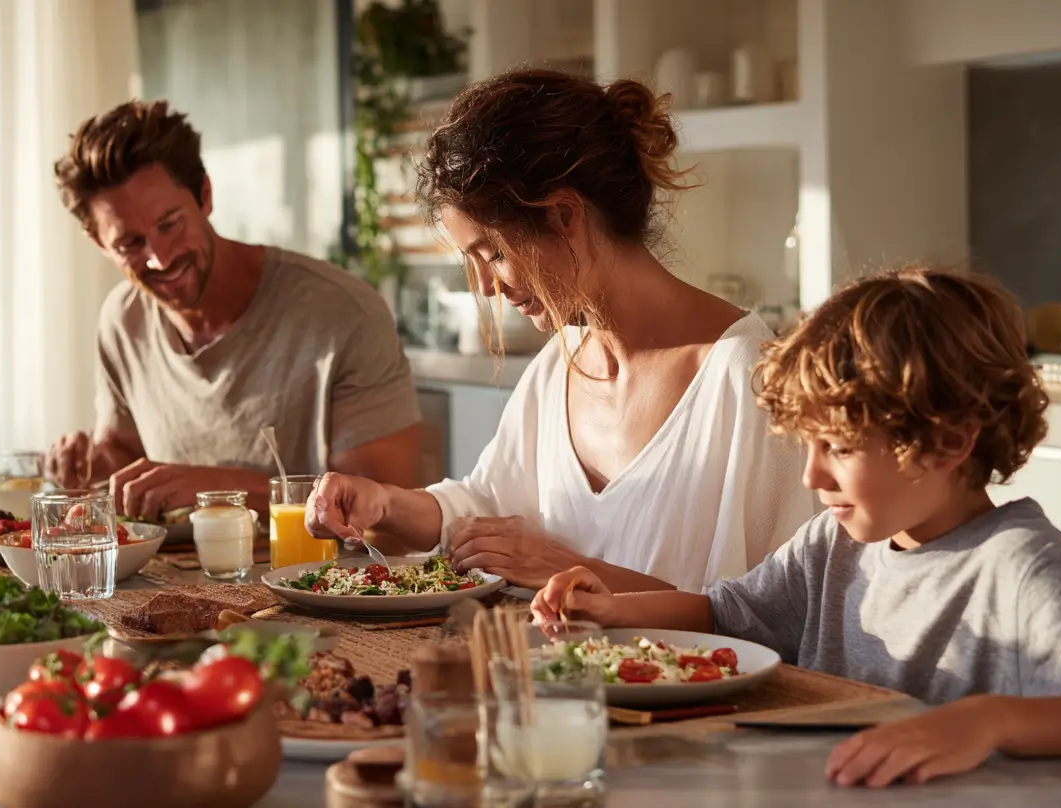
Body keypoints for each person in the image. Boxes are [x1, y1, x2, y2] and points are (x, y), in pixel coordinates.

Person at [532, 265, 1061, 787]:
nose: (811, 476)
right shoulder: (835, 543)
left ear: (949, 441)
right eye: (808, 445)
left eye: (841, 448)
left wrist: (988, 720)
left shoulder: (1017, 568)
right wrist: (616, 611)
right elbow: (725, 614)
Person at [306, 69, 814, 592]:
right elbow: (485, 508)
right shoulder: (561, 365)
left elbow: (785, 613)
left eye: (495, 254)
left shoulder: (750, 378)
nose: (486, 288)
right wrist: (384, 503)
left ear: (565, 214)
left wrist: (565, 569)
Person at [45, 100, 422, 519]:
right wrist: (92, 469)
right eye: (129, 244)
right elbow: (124, 453)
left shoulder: (344, 314)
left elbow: (387, 509)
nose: (160, 258)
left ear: (205, 195)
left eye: (170, 224)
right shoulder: (122, 320)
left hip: (315, 579)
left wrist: (219, 487)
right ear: (99, 243)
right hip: (171, 580)